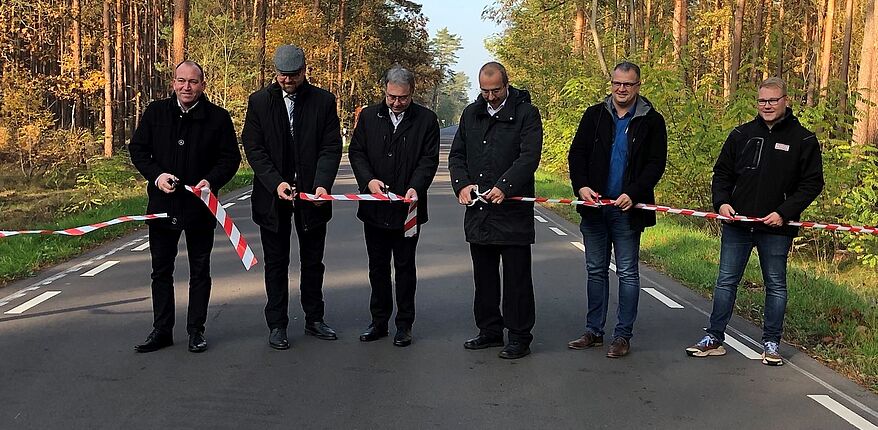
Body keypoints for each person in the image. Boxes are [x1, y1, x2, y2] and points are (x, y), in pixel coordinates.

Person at [686, 77, 823, 366]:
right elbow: (722, 173)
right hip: (737, 225)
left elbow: (812, 184)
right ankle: (713, 338)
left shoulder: (804, 140)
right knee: (726, 281)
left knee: (776, 285)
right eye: (762, 100)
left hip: (776, 229)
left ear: (786, 101)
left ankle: (771, 343)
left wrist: (784, 212)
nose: (767, 106)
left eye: (773, 100)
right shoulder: (741, 134)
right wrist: (722, 203)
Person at [129, 60, 241, 353]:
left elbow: (230, 159)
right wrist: (157, 176)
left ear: (202, 85)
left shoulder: (218, 118)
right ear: (173, 83)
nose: (186, 87)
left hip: (200, 208)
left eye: (192, 82)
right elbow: (138, 150)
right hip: (162, 206)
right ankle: (161, 330)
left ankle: (196, 330)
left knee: (199, 271)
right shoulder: (156, 113)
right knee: (160, 271)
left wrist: (211, 181)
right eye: (181, 81)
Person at [241, 44, 342, 350]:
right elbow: (254, 148)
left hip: (313, 196)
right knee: (276, 263)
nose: (287, 80)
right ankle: (277, 324)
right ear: (276, 73)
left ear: (304, 71)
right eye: (282, 75)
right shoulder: (259, 102)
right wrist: (275, 183)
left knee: (313, 261)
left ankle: (314, 318)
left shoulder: (324, 101)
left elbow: (331, 147)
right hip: (273, 198)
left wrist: (322, 184)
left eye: (293, 75)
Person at [567, 61, 667, 358]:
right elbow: (577, 154)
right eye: (617, 83)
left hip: (627, 210)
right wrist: (581, 187)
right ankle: (593, 331)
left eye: (628, 84)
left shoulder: (652, 120)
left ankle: (622, 335)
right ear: (611, 84)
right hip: (595, 207)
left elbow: (655, 164)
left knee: (627, 272)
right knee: (595, 270)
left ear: (638, 86)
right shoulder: (594, 115)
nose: (621, 89)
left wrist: (633, 193)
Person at [448, 62, 542, 359]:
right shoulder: (471, 114)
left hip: (512, 211)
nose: (490, 96)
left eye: (496, 91)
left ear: (507, 85)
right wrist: (462, 185)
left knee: (517, 280)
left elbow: (529, 157)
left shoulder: (526, 114)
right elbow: (457, 155)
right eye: (485, 91)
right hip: (479, 212)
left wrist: (505, 186)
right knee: (484, 277)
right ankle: (489, 330)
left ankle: (519, 336)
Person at [348, 66, 440, 347]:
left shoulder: (426, 120)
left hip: (408, 210)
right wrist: (369, 181)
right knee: (377, 268)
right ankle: (378, 321)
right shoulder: (368, 117)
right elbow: (357, 152)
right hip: (374, 208)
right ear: (384, 90)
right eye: (392, 97)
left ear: (412, 93)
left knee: (405, 268)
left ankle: (404, 324)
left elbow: (429, 160)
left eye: (403, 98)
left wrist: (416, 187)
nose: (397, 103)